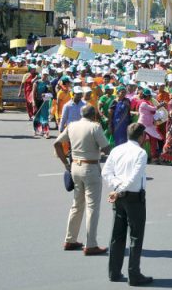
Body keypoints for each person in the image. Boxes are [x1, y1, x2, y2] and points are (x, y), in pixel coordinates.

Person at [52, 105, 109, 255]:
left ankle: (70, 239)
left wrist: (65, 163)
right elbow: (106, 148)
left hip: (75, 167)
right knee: (92, 207)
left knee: (76, 205)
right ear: (94, 115)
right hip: (90, 167)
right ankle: (91, 244)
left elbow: (57, 144)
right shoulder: (95, 127)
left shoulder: (72, 126)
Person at [102, 123, 153, 286]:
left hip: (120, 196)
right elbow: (134, 178)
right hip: (133, 197)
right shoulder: (141, 152)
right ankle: (134, 274)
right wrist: (120, 189)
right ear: (141, 136)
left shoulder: (117, 149)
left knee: (117, 235)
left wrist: (116, 186)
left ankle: (114, 272)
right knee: (136, 236)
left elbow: (106, 172)